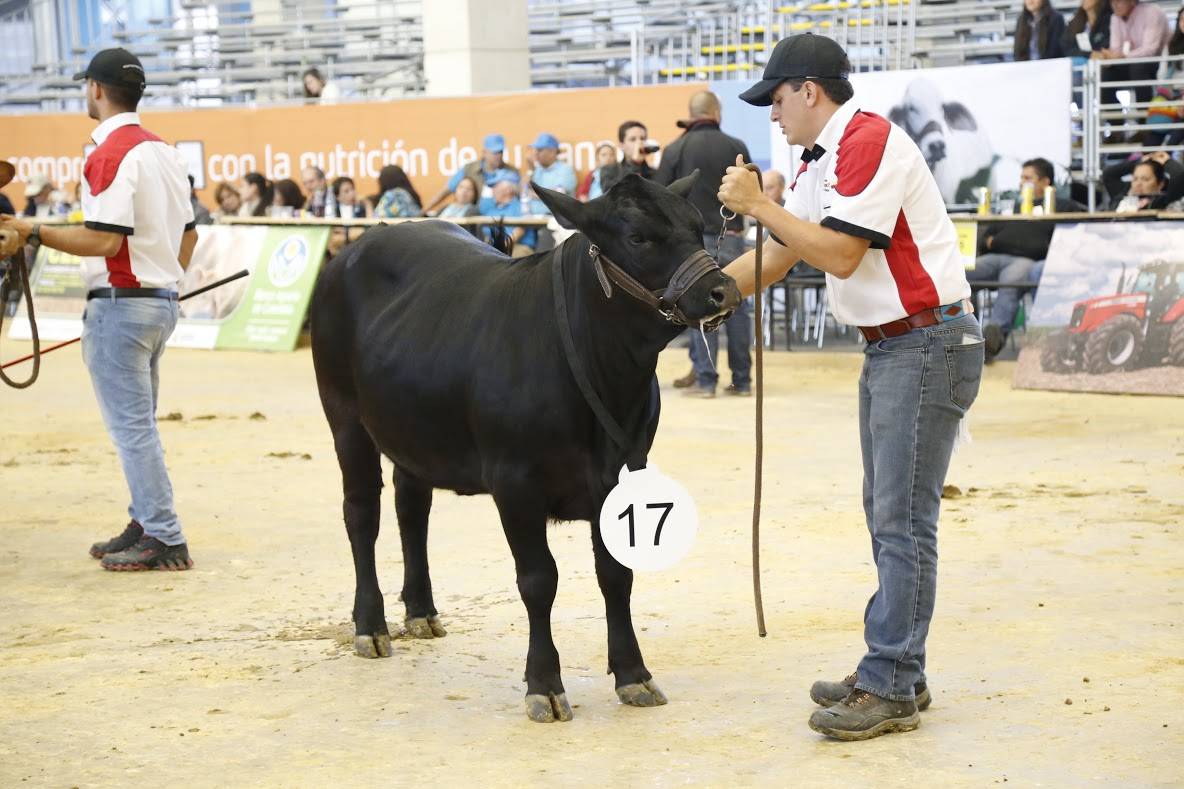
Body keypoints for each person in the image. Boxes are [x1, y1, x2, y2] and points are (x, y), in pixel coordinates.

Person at [719, 33, 983, 741]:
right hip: (903, 344)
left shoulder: (864, 141)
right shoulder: (820, 159)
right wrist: (701, 295)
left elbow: (837, 254)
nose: (772, 114)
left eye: (776, 98)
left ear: (810, 90)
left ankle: (891, 676)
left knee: (900, 517)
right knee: (891, 512)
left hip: (923, 341)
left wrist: (757, 205)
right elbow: (778, 258)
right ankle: (901, 667)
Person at [1, 48, 197, 571]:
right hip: (158, 304)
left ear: (95, 89)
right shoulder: (165, 152)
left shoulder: (108, 154)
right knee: (141, 423)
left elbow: (104, 242)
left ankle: (163, 534)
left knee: (132, 428)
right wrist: (168, 282)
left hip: (122, 306)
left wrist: (31, 230)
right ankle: (145, 518)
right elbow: (191, 233)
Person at [655, 90, 753, 398]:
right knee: (737, 304)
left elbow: (660, 197)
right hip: (733, 235)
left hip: (693, 245)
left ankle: (706, 380)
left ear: (691, 113)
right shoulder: (737, 147)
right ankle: (742, 381)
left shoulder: (676, 149)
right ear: (717, 113)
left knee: (699, 305)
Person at [972, 158, 1085, 362]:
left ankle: (993, 338)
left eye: (1028, 178)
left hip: (1026, 260)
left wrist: (1005, 242)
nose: (1021, 182)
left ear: (1045, 182)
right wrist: (997, 241)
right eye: (1021, 177)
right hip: (996, 257)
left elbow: (1072, 234)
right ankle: (965, 334)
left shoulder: (1063, 206)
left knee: (1010, 281)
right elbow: (987, 236)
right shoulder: (1013, 208)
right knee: (960, 275)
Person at [423, 133, 520, 215]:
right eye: (495, 152)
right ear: (484, 152)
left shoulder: (511, 173)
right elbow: (445, 191)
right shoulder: (469, 169)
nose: (498, 156)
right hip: (474, 221)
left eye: (501, 152)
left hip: (501, 222)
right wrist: (422, 213)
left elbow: (519, 200)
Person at [1097, 0, 1170, 106]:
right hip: (1129, 63)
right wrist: (1111, 56)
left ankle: (1143, 117)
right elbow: (1116, 49)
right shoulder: (1115, 18)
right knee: (1107, 72)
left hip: (1157, 62)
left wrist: (1123, 56)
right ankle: (1115, 120)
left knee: (1138, 68)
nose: (1115, 6)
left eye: (1119, 2)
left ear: (1132, 1)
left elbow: (1150, 49)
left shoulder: (1151, 12)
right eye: (1112, 2)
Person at [1104, 152, 1184, 210]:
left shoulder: (1165, 200)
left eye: (1145, 179)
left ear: (1160, 184)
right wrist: (1139, 161)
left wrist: (1167, 161)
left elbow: (1179, 176)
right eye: (1135, 179)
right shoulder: (1122, 194)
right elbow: (1109, 174)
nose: (1138, 183)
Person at [483, 170, 535, 257]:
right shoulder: (491, 210)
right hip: (495, 249)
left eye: (495, 187)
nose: (492, 191)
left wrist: (500, 247)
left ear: (508, 190)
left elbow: (520, 231)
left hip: (518, 248)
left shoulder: (521, 207)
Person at [599, 120, 655, 193]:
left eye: (642, 138)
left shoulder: (655, 173)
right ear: (621, 145)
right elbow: (613, 195)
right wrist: (634, 164)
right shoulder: (609, 171)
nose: (639, 143)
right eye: (633, 139)